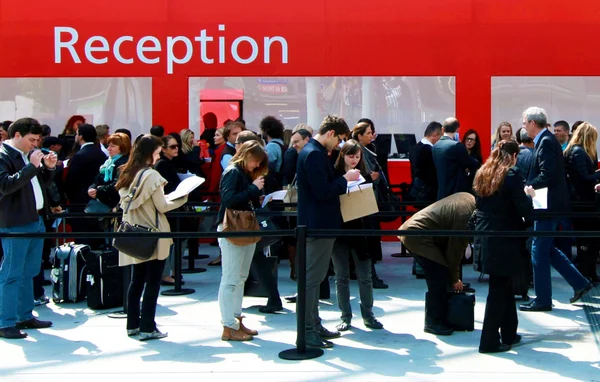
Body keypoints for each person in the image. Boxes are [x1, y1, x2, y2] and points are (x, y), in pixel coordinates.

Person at [520, 106, 593, 312]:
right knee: (547, 249)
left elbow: (548, 174)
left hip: (547, 206)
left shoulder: (545, 142)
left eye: (525, 122)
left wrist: (529, 186)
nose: (524, 126)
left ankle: (543, 299)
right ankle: (580, 283)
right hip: (549, 205)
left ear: (533, 123)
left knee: (538, 251)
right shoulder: (546, 141)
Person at [115, 135, 188, 341]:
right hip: (154, 233)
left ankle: (133, 325)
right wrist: (182, 198)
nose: (158, 156)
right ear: (150, 153)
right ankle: (148, 326)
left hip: (132, 232)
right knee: (153, 281)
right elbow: (162, 206)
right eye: (157, 152)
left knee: (136, 279)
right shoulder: (152, 176)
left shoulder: (126, 173)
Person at [296, 115, 360, 348]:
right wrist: (345, 179)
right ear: (331, 133)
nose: (340, 145)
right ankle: (308, 330)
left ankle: (314, 323)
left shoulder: (316, 152)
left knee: (315, 278)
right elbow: (322, 191)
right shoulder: (313, 154)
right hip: (318, 225)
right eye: (340, 139)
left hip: (320, 224)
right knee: (312, 280)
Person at [473, 140, 533, 353]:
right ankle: (488, 341)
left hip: (485, 235)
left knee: (503, 285)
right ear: (514, 156)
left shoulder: (484, 172)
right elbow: (523, 207)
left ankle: (509, 332)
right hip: (504, 236)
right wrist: (530, 197)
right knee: (498, 289)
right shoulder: (512, 174)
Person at [0, 118, 58, 339]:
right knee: (11, 273)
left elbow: (38, 183)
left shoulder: (26, 156)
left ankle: (24, 315)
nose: (35, 144)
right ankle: (5, 321)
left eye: (37, 140)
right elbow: (6, 186)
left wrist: (49, 168)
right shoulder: (4, 156)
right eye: (31, 139)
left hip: (35, 219)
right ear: (16, 136)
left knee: (29, 272)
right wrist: (32, 166)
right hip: (15, 223)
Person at [398, 192, 475, 336]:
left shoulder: (468, 200)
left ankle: (440, 318)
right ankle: (433, 322)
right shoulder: (466, 216)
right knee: (438, 278)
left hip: (416, 232)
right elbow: (455, 252)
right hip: (417, 235)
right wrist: (455, 278)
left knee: (439, 276)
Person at [217, 141, 268, 341]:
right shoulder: (233, 172)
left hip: (241, 228)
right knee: (231, 279)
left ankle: (235, 321)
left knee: (239, 278)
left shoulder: (241, 173)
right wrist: (253, 190)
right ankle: (229, 325)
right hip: (233, 228)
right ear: (246, 155)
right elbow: (228, 200)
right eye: (255, 161)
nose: (256, 165)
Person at [331, 140, 383, 331]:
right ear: (343, 156)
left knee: (365, 275)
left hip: (361, 230)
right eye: (350, 156)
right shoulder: (335, 176)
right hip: (340, 230)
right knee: (341, 276)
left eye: (357, 156)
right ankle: (346, 316)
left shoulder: (364, 177)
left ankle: (368, 314)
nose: (354, 160)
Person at [564, 122, 600, 282]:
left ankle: (588, 270)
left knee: (586, 238)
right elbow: (584, 178)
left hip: (579, 200)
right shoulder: (579, 152)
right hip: (583, 201)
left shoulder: (575, 151)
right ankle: (586, 271)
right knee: (587, 238)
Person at [432, 118, 480, 200]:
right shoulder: (457, 146)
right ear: (457, 129)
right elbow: (471, 163)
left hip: (441, 193)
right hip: (455, 194)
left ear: (443, 129)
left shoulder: (435, 146)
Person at [88, 133, 131, 210]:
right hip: (104, 203)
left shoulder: (125, 163)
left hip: (117, 206)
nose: (108, 148)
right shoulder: (108, 161)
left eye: (113, 146)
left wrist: (99, 190)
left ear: (123, 148)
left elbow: (117, 184)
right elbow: (97, 179)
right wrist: (92, 188)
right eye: (108, 145)